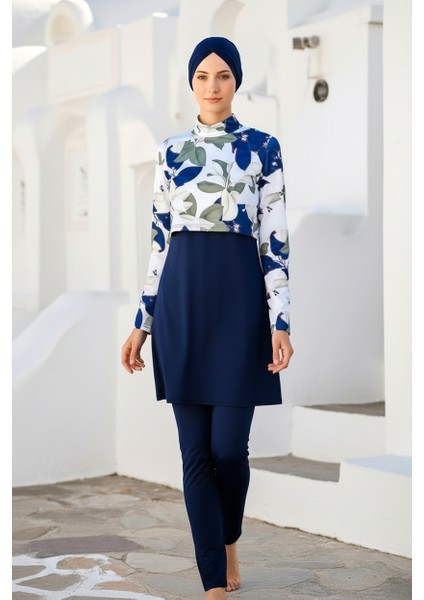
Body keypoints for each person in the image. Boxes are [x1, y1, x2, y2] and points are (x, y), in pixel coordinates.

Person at [121, 36, 293, 600]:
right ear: (191, 83)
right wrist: (142, 323)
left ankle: (228, 537)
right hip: (182, 308)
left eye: (222, 75)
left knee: (228, 451)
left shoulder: (263, 148)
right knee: (195, 454)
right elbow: (159, 243)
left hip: (240, 310)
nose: (212, 86)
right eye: (202, 76)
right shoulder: (171, 151)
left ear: (236, 81)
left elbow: (275, 242)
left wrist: (281, 321)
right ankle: (213, 583)